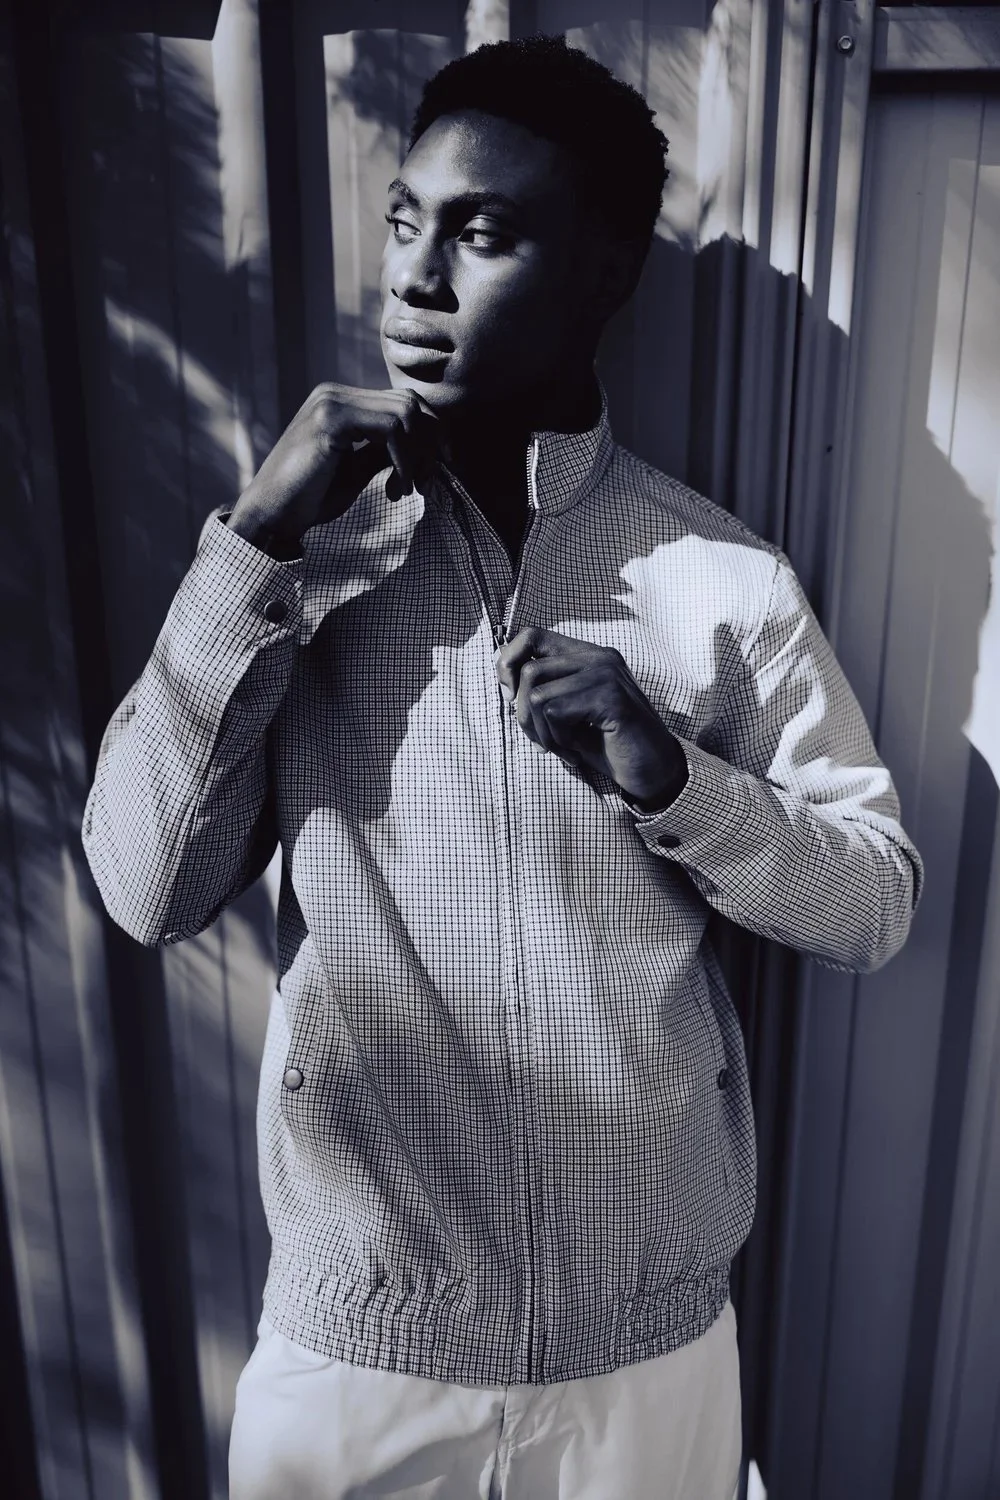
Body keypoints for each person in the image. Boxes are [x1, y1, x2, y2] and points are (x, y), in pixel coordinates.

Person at [81, 34, 924, 1500]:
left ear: (605, 273)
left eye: (484, 233)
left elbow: (874, 905)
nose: (417, 275)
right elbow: (147, 890)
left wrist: (675, 781)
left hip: (643, 1373)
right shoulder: (300, 566)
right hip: (356, 1371)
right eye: (407, 220)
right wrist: (249, 550)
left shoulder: (718, 579)